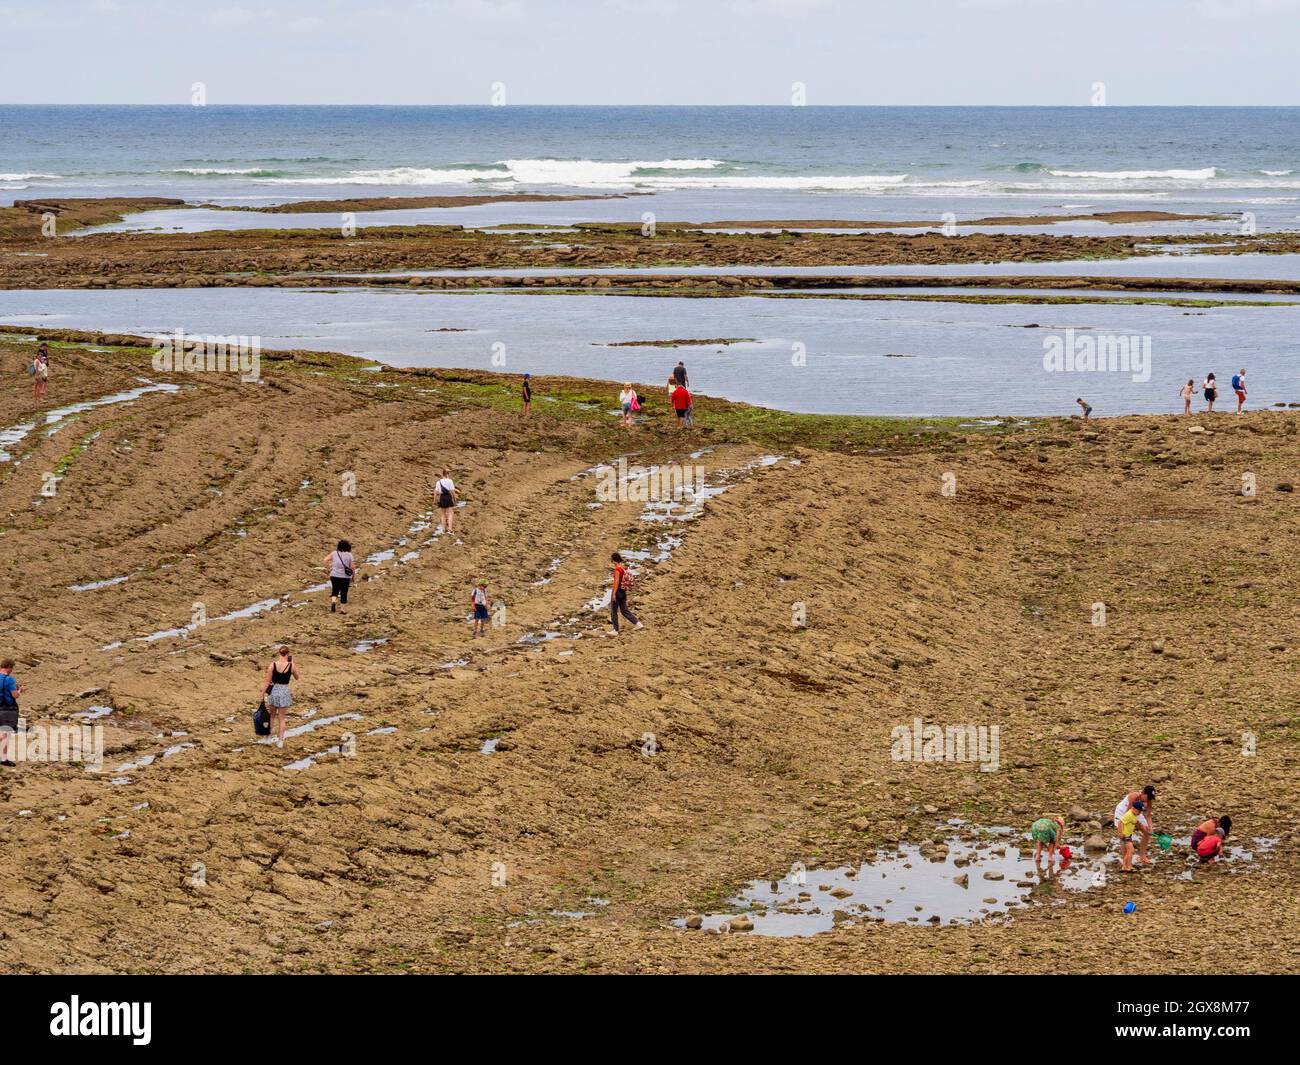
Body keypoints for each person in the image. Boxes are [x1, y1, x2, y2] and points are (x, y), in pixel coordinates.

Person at [260, 646, 299, 747]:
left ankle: (267, 738)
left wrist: (262, 692)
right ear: (288, 654)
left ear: (279, 653)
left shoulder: (272, 665)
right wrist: (293, 663)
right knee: (281, 718)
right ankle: (280, 741)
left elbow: (267, 681)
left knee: (271, 716)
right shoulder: (291, 666)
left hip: (274, 692)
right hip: (284, 691)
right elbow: (297, 677)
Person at [1114, 786, 1156, 866]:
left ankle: (1142, 856)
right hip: (1123, 812)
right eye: (1148, 797)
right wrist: (1139, 825)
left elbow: (1148, 815)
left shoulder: (1149, 800)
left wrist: (1150, 827)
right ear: (1143, 793)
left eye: (1151, 798)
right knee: (1125, 835)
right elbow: (1129, 815)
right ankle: (1125, 861)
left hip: (1137, 812)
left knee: (1147, 832)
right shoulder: (1134, 796)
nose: (1149, 800)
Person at [609, 552, 643, 635]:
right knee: (624, 610)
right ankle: (638, 623)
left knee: (613, 611)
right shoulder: (623, 568)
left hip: (617, 592)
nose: (612, 562)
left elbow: (616, 582)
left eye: (612, 560)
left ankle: (615, 630)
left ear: (614, 560)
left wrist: (613, 594)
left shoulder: (617, 569)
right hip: (623, 591)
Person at [0, 658, 24, 768]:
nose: (12, 670)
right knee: (6, 733)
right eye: (12, 667)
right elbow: (15, 695)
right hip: (8, 709)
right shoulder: (9, 679)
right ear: (9, 666)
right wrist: (20, 690)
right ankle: (3, 758)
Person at [326, 539, 354, 614]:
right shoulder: (349, 555)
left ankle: (333, 602)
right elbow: (352, 567)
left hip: (334, 575)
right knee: (344, 593)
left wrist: (329, 569)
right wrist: (353, 576)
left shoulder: (334, 553)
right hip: (345, 577)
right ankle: (343, 610)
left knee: (335, 590)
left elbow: (325, 560)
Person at [1118, 799, 1148, 872]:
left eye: (1141, 811)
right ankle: (1128, 867)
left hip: (1128, 835)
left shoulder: (1134, 814)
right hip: (1125, 835)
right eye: (1139, 811)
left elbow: (1133, 821)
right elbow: (1120, 822)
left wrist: (1138, 823)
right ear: (1133, 808)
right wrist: (1121, 833)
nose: (1140, 813)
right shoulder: (1129, 814)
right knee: (1131, 850)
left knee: (1129, 851)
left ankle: (1124, 866)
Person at [435, 468, 458, 535]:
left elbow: (436, 492)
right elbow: (452, 491)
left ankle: (444, 530)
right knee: (450, 513)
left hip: (442, 498)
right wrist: (455, 499)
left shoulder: (438, 482)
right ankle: (450, 530)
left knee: (443, 514)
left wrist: (435, 500)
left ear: (443, 474)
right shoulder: (450, 481)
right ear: (447, 474)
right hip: (448, 497)